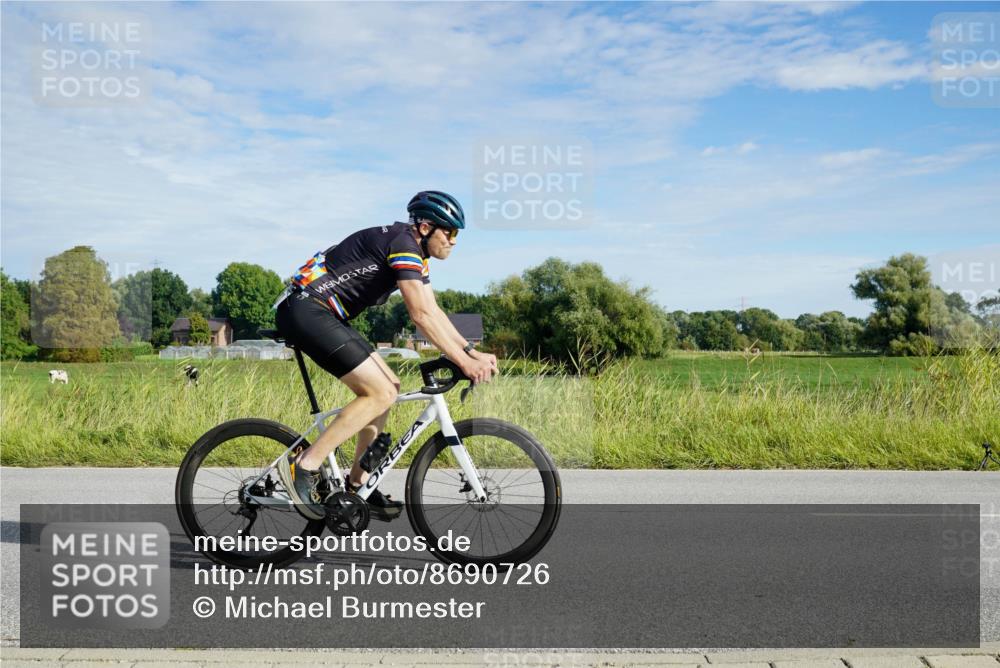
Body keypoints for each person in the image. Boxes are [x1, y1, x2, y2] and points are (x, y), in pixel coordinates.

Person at [273, 191, 498, 521]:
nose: (453, 241)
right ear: (424, 227)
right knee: (380, 392)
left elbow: (433, 309)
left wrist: (470, 351)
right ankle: (303, 466)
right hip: (306, 309)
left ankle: (356, 485)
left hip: (323, 313)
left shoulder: (414, 253)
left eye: (456, 234)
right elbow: (419, 315)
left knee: (388, 387)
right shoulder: (403, 243)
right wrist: (464, 363)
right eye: (449, 232)